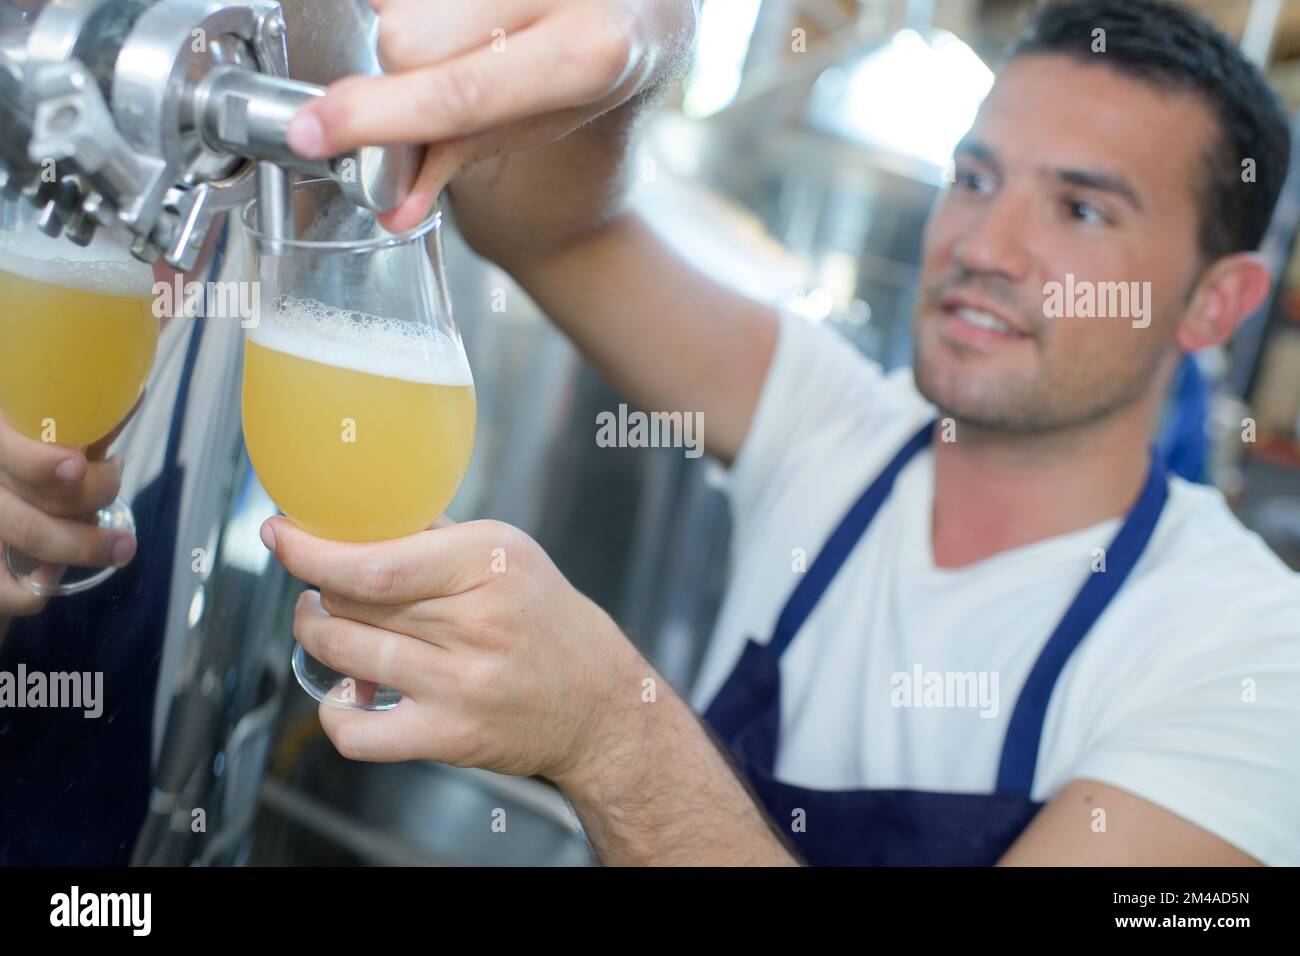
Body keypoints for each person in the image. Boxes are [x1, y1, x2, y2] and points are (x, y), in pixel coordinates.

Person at [5, 0, 1298, 866]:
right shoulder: (840, 428)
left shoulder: (1247, 666)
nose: (983, 247)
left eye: (1080, 213)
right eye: (974, 177)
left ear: (1216, 302)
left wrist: (612, 732)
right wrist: (630, 50)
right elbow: (550, 223)